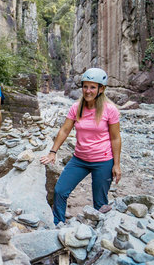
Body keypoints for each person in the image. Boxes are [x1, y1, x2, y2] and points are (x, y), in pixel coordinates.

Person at [40, 67, 122, 226]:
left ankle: (99, 232)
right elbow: (64, 130)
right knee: (60, 191)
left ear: (101, 89)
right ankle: (58, 224)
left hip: (103, 161)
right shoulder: (76, 107)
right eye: (85, 86)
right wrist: (52, 152)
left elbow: (115, 138)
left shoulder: (110, 110)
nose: (88, 90)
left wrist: (117, 165)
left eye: (92, 87)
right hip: (79, 159)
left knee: (100, 204)